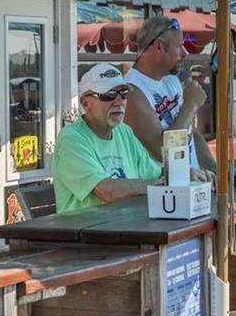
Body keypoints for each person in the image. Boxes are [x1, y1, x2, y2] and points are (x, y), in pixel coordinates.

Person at [54, 64, 209, 214]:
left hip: (126, 225)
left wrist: (184, 174)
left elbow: (155, 174)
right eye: (108, 95)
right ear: (85, 103)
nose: (119, 102)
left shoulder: (124, 132)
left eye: (124, 94)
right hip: (87, 230)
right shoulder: (71, 139)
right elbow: (106, 191)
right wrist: (167, 182)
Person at [122, 14, 217, 178]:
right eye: (179, 47)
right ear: (159, 46)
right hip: (164, 190)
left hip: (194, 184)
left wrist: (216, 171)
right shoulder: (132, 92)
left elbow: (192, 133)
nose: (184, 53)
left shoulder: (171, 80)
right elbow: (163, 152)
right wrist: (190, 105)